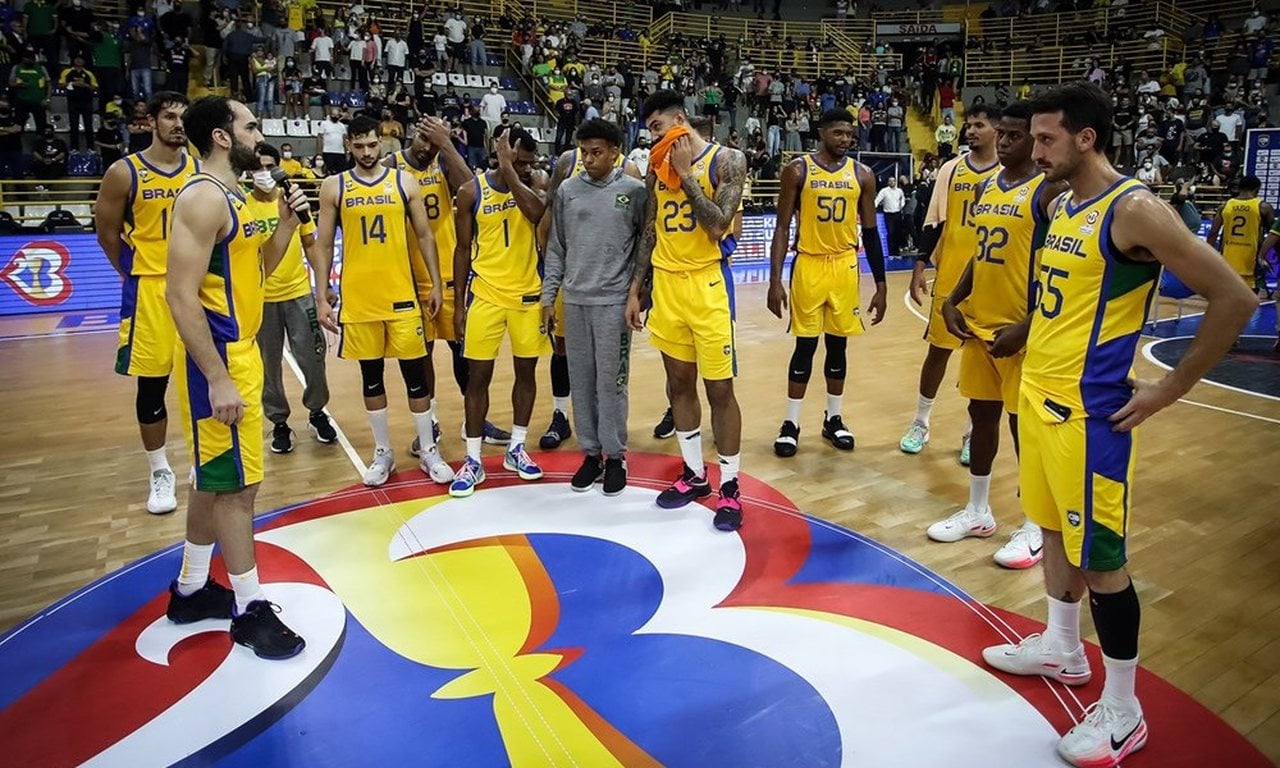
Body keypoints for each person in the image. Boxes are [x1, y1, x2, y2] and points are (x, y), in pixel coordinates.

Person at [981, 82, 1257, 768]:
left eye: (1047, 139)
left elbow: (1234, 297)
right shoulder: (1057, 201)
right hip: (1040, 399)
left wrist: (1168, 389)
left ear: (1087, 138)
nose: (1035, 150)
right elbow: (1068, 300)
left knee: (1102, 563)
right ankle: (1063, 648)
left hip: (1090, 416)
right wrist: (1024, 330)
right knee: (1051, 531)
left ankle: (1125, 710)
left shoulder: (1136, 210)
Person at [162, 94, 309, 659]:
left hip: (238, 351)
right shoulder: (202, 198)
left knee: (214, 477)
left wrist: (289, 223)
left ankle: (192, 589)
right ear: (222, 137)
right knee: (239, 489)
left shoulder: (238, 195)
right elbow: (179, 294)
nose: (258, 132)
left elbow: (260, 267)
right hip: (219, 359)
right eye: (249, 125)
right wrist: (217, 377)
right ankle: (250, 610)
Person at [934, 101, 1066, 568]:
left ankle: (1033, 524)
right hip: (980, 328)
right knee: (981, 418)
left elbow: (1060, 272)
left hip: (1023, 334)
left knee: (1022, 429)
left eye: (1014, 136)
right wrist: (953, 298)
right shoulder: (990, 185)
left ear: (1034, 139)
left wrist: (1028, 327)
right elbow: (980, 254)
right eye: (1003, 135)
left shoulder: (1050, 193)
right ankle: (977, 511)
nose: (1005, 143)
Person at [626, 89, 748, 531]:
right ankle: (695, 474)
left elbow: (718, 224)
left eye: (658, 127)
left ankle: (730, 487)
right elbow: (649, 231)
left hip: (708, 287)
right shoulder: (657, 170)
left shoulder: (728, 160)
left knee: (720, 390)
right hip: (668, 288)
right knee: (678, 383)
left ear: (679, 120)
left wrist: (686, 174)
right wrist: (636, 289)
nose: (652, 137)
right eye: (649, 131)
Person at [314, 115, 450, 487]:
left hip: (402, 296)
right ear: (348, 147)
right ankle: (383, 452)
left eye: (372, 145)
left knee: (415, 379)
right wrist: (321, 294)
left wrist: (436, 284)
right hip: (360, 300)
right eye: (358, 146)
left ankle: (428, 449)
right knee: (371, 380)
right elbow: (323, 244)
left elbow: (425, 235)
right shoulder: (333, 186)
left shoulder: (403, 181)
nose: (367, 152)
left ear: (382, 143)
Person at [94, 91, 195, 515]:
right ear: (151, 120)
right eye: (169, 116)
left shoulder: (200, 168)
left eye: (183, 117)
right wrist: (132, 272)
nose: (177, 124)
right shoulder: (124, 172)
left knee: (204, 379)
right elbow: (107, 232)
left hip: (199, 287)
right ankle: (159, 470)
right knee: (152, 385)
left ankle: (202, 457)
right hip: (151, 290)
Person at [387, 116, 512, 456]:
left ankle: (475, 420)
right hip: (413, 281)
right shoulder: (391, 167)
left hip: (453, 278)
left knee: (466, 357)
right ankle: (428, 425)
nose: (428, 149)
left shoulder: (444, 163)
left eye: (436, 142)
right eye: (425, 141)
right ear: (413, 134)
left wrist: (446, 145)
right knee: (421, 357)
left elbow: (471, 188)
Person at [767, 109, 887, 457]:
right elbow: (781, 227)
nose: (845, 140)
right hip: (809, 264)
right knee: (804, 347)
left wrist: (880, 284)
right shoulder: (798, 170)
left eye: (850, 134)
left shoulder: (862, 175)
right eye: (838, 133)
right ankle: (791, 423)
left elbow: (869, 231)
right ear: (821, 132)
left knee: (838, 348)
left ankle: (833, 419)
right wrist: (774, 281)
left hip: (845, 266)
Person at [542, 119, 646, 494]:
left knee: (612, 383)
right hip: (575, 300)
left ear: (615, 152)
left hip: (614, 304)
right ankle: (591, 454)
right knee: (582, 384)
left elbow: (643, 249)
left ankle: (615, 456)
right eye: (584, 152)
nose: (588, 159)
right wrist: (548, 295)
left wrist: (637, 293)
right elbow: (557, 247)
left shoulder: (635, 191)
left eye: (596, 152)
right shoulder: (568, 190)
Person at [448, 128, 551, 497]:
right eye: (519, 160)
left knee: (526, 373)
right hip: (486, 296)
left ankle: (517, 448)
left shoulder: (538, 185)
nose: (527, 168)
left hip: (528, 297)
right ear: (500, 151)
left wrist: (510, 171)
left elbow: (538, 214)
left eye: (529, 162)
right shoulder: (470, 191)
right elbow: (461, 250)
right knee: (478, 378)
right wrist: (458, 306)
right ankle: (473, 460)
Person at [901, 103, 1001, 461]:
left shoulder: (1012, 172)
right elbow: (934, 221)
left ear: (997, 129)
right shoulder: (951, 169)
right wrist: (919, 267)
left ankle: (974, 433)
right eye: (969, 125)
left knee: (984, 362)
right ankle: (920, 422)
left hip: (992, 281)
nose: (970, 130)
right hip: (951, 276)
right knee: (937, 353)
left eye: (979, 125)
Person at [248, 142, 337, 454]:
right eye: (257, 167)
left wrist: (323, 286)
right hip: (260, 300)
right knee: (267, 366)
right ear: (248, 170)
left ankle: (316, 412)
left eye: (269, 166)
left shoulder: (295, 203)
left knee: (313, 357)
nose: (264, 173)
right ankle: (279, 422)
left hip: (299, 294)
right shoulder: (243, 207)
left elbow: (312, 244)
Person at [1208, 175, 1275, 289]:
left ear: (1239, 188)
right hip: (1251, 261)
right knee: (1248, 302)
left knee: (1226, 298)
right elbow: (1273, 234)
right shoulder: (1263, 207)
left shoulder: (1224, 206)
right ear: (1257, 189)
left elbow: (1213, 233)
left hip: (1227, 261)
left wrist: (1208, 256)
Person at [59, 55, 97, 151]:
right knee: (73, 126)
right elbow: (61, 84)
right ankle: (74, 148)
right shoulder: (67, 72)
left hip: (87, 101)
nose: (79, 61)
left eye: (81, 59)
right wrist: (73, 84)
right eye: (77, 59)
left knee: (89, 126)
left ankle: (90, 148)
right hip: (73, 101)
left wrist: (85, 85)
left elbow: (95, 87)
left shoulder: (89, 73)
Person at [875, 175, 905, 255]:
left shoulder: (899, 191)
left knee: (897, 233)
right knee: (890, 233)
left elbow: (902, 199)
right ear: (888, 182)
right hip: (888, 215)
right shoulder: (884, 191)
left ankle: (897, 252)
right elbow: (878, 199)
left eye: (893, 181)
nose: (892, 182)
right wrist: (873, 207)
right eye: (890, 181)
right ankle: (891, 252)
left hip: (897, 214)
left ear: (895, 182)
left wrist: (901, 206)